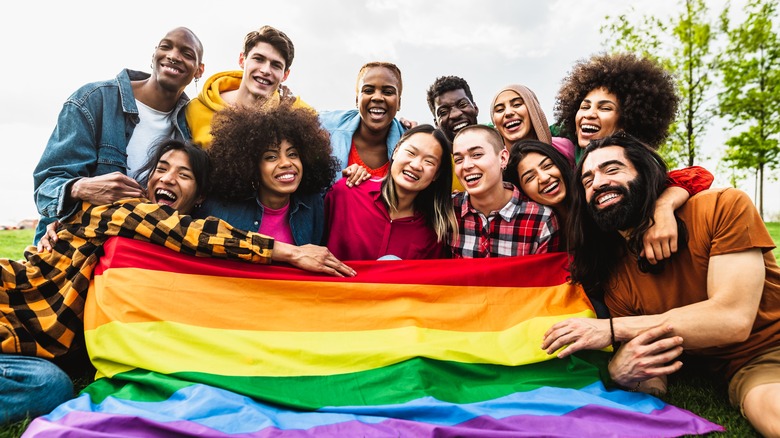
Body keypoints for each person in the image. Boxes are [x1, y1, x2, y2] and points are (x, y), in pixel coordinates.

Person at [4, 139, 354, 423]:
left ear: (200, 197)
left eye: (184, 174)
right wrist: (291, 253)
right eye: (161, 169)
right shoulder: (125, 211)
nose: (168, 179)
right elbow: (193, 233)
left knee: (51, 384)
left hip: (29, 342)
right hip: (11, 309)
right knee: (50, 389)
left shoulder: (160, 250)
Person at [540, 133, 780, 437]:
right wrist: (624, 372)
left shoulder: (722, 206)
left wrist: (612, 330)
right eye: (587, 181)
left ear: (646, 174)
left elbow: (732, 318)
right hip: (749, 372)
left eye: (612, 170)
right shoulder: (614, 275)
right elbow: (652, 366)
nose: (598, 182)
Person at [32, 27, 206, 245]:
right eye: (165, 47)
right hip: (71, 245)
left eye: (187, 54)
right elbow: (46, 187)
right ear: (154, 55)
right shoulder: (93, 100)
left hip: (135, 257)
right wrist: (82, 188)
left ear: (199, 70)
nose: (173, 56)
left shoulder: (189, 127)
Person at [552, 52, 715, 264]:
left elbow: (699, 175)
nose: (589, 114)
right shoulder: (564, 146)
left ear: (626, 121)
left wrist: (663, 206)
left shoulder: (636, 159)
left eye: (605, 108)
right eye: (584, 106)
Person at [196, 104, 338, 246]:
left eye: (292, 154)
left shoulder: (312, 204)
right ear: (251, 166)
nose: (286, 163)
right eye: (271, 157)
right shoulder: (219, 208)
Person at [324, 124, 457, 260]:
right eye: (411, 153)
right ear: (396, 151)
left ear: (436, 174)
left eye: (429, 161)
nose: (416, 165)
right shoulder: (345, 192)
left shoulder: (433, 233)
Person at [185, 25, 310, 149]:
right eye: (259, 59)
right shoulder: (196, 109)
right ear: (242, 60)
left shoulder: (299, 112)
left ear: (285, 75)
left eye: (276, 65)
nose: (266, 70)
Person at [450, 125, 559, 258]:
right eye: (458, 160)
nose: (466, 165)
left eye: (477, 155)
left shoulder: (541, 219)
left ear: (503, 158)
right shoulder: (448, 210)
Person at [319, 61, 406, 187]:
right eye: (368, 90)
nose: (377, 97)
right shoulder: (324, 126)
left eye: (387, 92)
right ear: (356, 99)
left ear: (399, 103)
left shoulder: (410, 144)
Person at [490, 84, 576, 167]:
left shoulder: (564, 148)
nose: (508, 113)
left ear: (534, 111)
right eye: (500, 110)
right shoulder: (495, 165)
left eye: (517, 104)